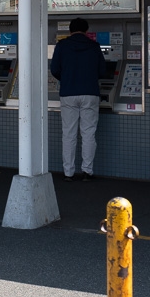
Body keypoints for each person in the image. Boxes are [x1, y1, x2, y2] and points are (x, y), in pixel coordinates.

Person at [49, 17, 108, 182]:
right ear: (86, 31)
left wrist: (67, 78)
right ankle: (87, 172)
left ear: (70, 30)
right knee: (88, 133)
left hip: (68, 93)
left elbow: (54, 69)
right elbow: (102, 71)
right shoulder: (94, 46)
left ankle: (68, 173)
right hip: (90, 93)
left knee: (69, 134)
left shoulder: (62, 46)